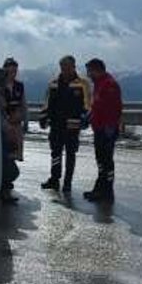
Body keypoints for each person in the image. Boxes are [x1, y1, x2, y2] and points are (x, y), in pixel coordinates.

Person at [39, 55, 91, 193]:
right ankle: (54, 180)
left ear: (74, 66)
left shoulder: (82, 83)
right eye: (62, 66)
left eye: (67, 66)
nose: (64, 69)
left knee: (70, 154)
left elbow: (87, 104)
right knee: (55, 153)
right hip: (56, 124)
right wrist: (43, 117)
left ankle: (67, 182)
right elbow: (46, 102)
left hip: (72, 125)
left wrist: (85, 118)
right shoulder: (53, 83)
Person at [82, 58, 122, 202]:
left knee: (106, 161)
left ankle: (107, 191)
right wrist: (88, 116)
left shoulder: (109, 84)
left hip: (106, 130)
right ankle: (99, 189)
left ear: (96, 70)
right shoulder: (99, 84)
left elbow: (113, 109)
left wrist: (109, 128)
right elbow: (97, 106)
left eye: (89, 71)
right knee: (101, 161)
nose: (88, 75)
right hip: (99, 128)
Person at [0, 67, 20, 202]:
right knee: (6, 166)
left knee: (4, 164)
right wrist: (8, 128)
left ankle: (1, 190)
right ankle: (3, 192)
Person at [2, 57, 27, 162]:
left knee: (16, 152)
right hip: (4, 123)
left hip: (16, 122)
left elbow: (23, 104)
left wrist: (26, 120)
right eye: (11, 70)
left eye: (15, 71)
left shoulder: (19, 86)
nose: (13, 73)